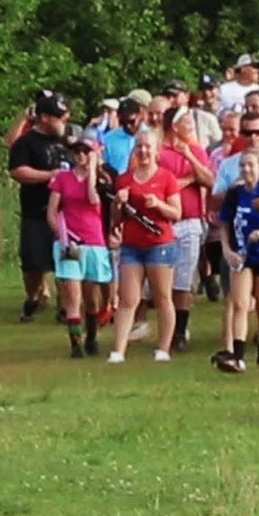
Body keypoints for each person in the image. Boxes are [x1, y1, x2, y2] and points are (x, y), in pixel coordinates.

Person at [106, 129, 181, 363]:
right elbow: (117, 220)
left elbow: (176, 213)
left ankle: (163, 349)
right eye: (139, 146)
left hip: (160, 244)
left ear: (157, 151)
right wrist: (118, 203)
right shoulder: (125, 179)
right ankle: (118, 351)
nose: (143, 150)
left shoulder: (167, 178)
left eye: (148, 146)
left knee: (162, 297)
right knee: (128, 299)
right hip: (132, 245)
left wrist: (158, 204)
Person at [47, 136, 114, 359]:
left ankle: (92, 336)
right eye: (77, 151)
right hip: (71, 241)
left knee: (91, 297)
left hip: (93, 241)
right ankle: (76, 344)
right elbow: (52, 211)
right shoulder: (62, 178)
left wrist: (92, 170)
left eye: (86, 151)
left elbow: (93, 199)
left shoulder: (102, 179)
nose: (81, 155)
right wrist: (63, 237)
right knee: (72, 296)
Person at [8, 93, 73, 322]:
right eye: (58, 117)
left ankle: (67, 307)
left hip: (66, 213)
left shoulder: (67, 140)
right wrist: (50, 175)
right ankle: (33, 298)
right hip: (36, 211)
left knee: (67, 259)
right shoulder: (26, 143)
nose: (62, 122)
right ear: (44, 117)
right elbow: (17, 171)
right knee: (34, 263)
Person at [160, 108, 217, 351]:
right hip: (165, 222)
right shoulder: (159, 153)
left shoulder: (196, 150)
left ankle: (180, 331)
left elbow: (210, 180)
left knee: (184, 279)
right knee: (165, 280)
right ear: (175, 126)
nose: (191, 125)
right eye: (185, 121)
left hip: (191, 221)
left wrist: (190, 159)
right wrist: (185, 180)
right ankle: (169, 327)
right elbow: (160, 183)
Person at [213, 148, 259, 373]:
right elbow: (224, 223)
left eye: (250, 165)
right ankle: (238, 355)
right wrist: (226, 249)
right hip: (241, 253)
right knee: (240, 303)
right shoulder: (235, 194)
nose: (245, 169)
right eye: (242, 165)